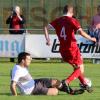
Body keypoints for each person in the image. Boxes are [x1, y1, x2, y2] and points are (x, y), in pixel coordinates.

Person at [44, 5, 96, 93]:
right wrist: (91, 38)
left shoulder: (58, 20)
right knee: (80, 69)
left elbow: (46, 28)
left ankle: (85, 84)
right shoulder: (72, 20)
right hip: (72, 49)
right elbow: (81, 32)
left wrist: (48, 39)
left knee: (76, 68)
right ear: (72, 12)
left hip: (63, 50)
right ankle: (67, 82)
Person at [10, 52, 84, 96]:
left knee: (56, 81)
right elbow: (12, 85)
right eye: (28, 59)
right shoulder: (17, 70)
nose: (30, 60)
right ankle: (68, 91)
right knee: (55, 91)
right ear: (23, 60)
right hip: (32, 90)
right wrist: (15, 96)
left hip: (35, 82)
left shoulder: (21, 65)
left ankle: (71, 91)